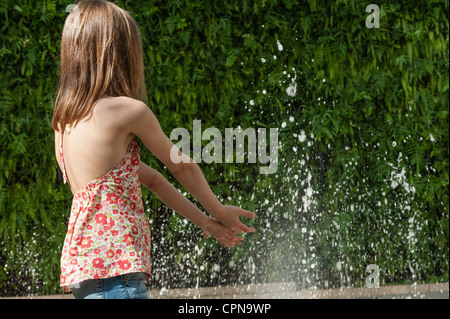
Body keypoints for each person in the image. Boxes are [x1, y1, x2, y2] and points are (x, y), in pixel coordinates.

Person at [51, 0, 255, 299]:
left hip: (86, 274)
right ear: (119, 53)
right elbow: (180, 166)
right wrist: (220, 210)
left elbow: (153, 179)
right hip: (117, 274)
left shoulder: (63, 122)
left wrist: (205, 222)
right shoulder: (127, 111)